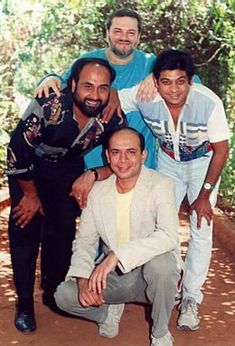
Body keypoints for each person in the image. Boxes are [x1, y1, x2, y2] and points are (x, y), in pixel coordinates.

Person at [6, 57, 127, 333]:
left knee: (62, 231)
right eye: (87, 86)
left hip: (67, 172)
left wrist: (94, 174)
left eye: (102, 88)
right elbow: (15, 153)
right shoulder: (49, 107)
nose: (94, 95)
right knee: (25, 227)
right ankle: (24, 303)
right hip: (29, 170)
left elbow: (124, 155)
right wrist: (31, 195)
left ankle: (54, 292)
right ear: (73, 85)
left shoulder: (111, 115)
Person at [118, 49, 230, 331]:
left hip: (203, 164)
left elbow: (221, 150)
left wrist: (204, 196)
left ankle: (191, 298)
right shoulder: (146, 95)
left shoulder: (208, 103)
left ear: (191, 81)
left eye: (180, 81)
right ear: (156, 82)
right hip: (169, 162)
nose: (174, 89)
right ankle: (164, 286)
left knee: (200, 227)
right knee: (160, 226)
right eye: (166, 82)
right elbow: (111, 99)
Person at [55, 127, 180, 346]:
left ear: (143, 155)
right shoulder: (97, 192)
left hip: (148, 276)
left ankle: (160, 333)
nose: (122, 160)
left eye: (131, 152)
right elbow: (85, 241)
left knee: (163, 266)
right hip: (113, 278)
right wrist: (83, 282)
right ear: (107, 156)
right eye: (115, 152)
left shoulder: (161, 185)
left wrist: (116, 255)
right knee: (64, 295)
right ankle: (107, 314)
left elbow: (168, 236)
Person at [36, 8, 158, 173]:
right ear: (107, 34)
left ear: (138, 37)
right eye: (117, 31)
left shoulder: (151, 64)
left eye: (131, 32)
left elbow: (187, 81)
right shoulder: (88, 61)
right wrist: (49, 78)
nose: (124, 37)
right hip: (93, 164)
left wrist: (157, 76)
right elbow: (63, 86)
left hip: (141, 165)